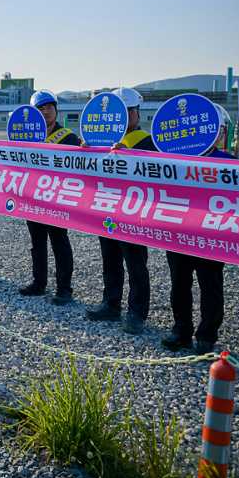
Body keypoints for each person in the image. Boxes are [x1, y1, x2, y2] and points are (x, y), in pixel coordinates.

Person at [161, 105, 236, 354]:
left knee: (210, 284)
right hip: (178, 231)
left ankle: (207, 335)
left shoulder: (229, 162)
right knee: (179, 283)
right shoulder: (171, 158)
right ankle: (181, 329)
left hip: (211, 234)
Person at [85, 87, 155, 335]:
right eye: (120, 112)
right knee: (110, 258)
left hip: (134, 211)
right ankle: (111, 303)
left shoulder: (148, 141)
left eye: (129, 112)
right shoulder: (99, 142)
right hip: (107, 207)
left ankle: (137, 312)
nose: (124, 117)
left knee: (136, 262)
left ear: (137, 113)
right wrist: (86, 151)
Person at [18, 90, 79, 301]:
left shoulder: (69, 138)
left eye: (49, 107)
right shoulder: (25, 137)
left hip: (57, 198)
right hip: (33, 197)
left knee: (59, 241)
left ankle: (64, 289)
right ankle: (39, 282)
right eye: (40, 109)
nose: (45, 112)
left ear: (56, 109)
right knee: (37, 242)